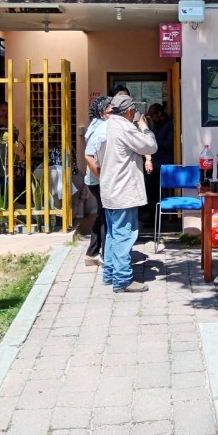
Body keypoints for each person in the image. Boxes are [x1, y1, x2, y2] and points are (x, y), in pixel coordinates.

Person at [99, 93, 157, 293]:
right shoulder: (124, 127)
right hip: (122, 190)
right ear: (130, 111)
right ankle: (123, 280)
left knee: (113, 234)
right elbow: (150, 146)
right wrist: (144, 127)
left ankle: (110, 274)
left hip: (109, 188)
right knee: (124, 234)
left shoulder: (104, 125)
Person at [83, 95, 112, 264]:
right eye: (111, 111)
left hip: (96, 179)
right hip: (97, 180)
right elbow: (89, 155)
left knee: (102, 214)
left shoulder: (97, 124)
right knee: (106, 216)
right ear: (102, 113)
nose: (114, 114)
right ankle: (105, 255)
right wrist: (102, 178)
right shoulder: (100, 127)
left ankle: (92, 252)